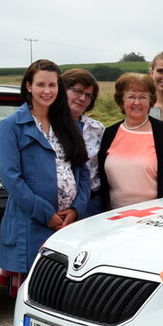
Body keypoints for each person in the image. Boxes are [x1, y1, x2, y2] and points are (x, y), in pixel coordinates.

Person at [0, 59, 90, 293]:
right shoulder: (12, 126)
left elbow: (83, 172)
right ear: (28, 86)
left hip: (69, 224)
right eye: (40, 85)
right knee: (34, 296)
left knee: (67, 296)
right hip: (32, 224)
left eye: (52, 85)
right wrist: (45, 213)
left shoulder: (69, 124)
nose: (47, 91)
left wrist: (77, 208)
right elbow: (11, 178)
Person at [97, 73, 163, 211]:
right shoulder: (109, 133)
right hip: (114, 217)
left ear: (150, 101)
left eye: (142, 97)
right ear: (121, 100)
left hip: (154, 217)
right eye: (131, 96)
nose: (136, 102)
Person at [63, 68, 105, 217]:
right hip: (58, 207)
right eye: (77, 91)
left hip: (91, 204)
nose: (82, 98)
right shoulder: (47, 127)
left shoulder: (97, 129)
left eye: (88, 95)